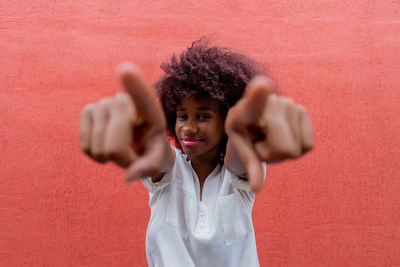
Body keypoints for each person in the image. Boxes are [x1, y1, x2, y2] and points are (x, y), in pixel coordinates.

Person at [79, 38, 314, 267]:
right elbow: (159, 159)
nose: (188, 128)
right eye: (182, 116)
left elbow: (238, 159)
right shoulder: (168, 172)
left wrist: (240, 128)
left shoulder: (236, 180)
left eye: (203, 116)